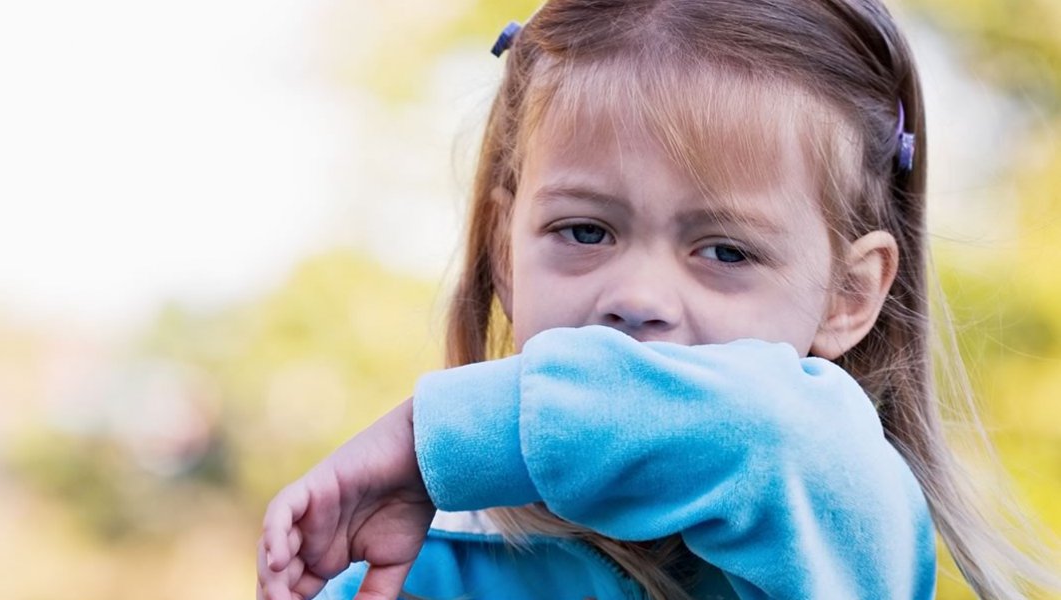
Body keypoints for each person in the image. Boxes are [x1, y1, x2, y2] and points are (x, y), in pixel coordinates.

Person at [257, 0, 1058, 598]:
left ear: (847, 297)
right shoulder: (409, 573)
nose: (637, 297)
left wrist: (439, 437)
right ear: (506, 248)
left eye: (724, 251)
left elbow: (771, 431)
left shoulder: (835, 522)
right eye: (584, 232)